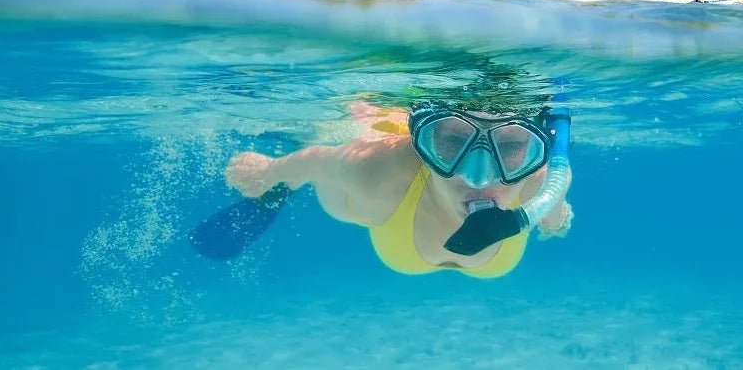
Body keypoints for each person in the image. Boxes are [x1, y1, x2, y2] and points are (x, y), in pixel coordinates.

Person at [225, 98, 573, 278]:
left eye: (510, 147)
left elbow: (554, 209)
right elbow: (320, 160)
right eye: (452, 140)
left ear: (535, 150)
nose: (479, 178)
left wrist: (555, 218)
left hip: (402, 235)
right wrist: (271, 172)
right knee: (332, 191)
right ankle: (291, 187)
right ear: (424, 145)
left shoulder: (541, 180)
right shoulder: (376, 169)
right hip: (388, 212)